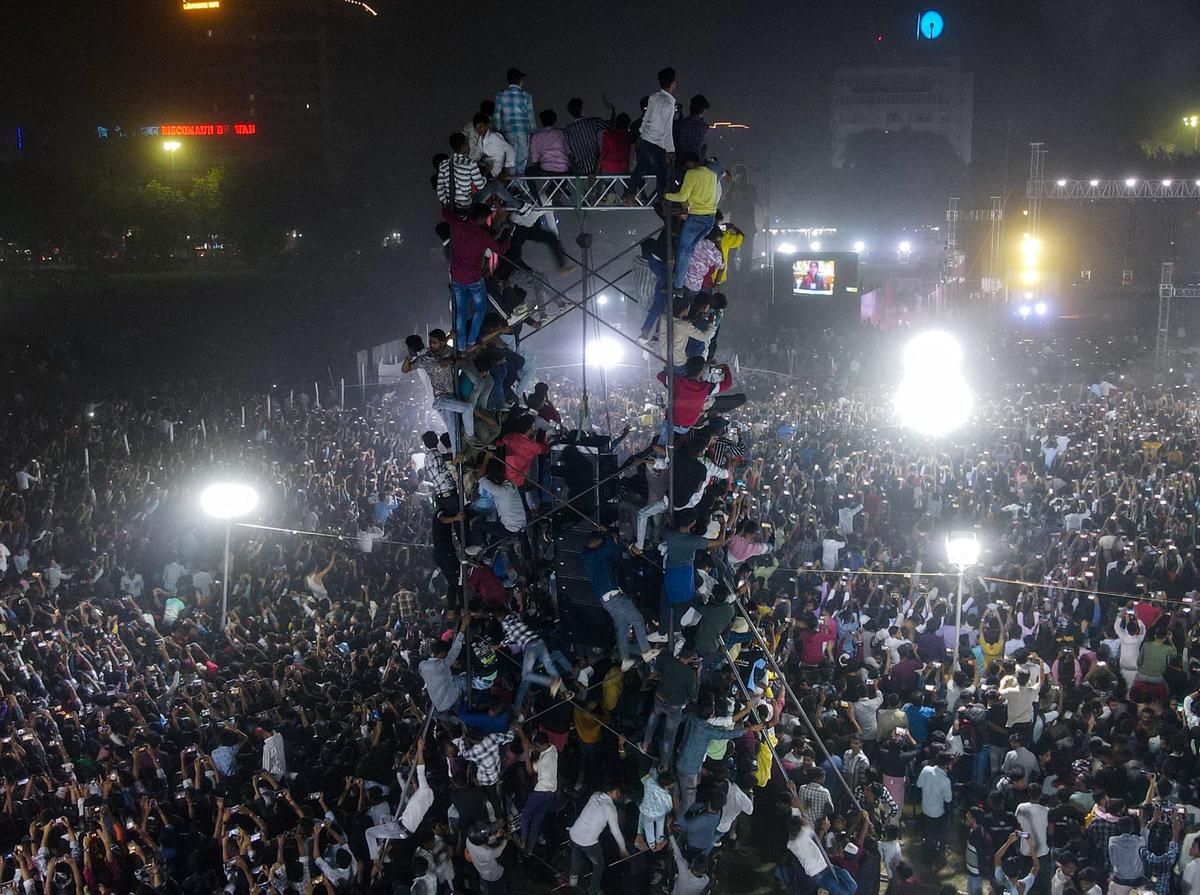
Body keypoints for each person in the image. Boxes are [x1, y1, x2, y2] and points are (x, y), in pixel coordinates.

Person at [438, 206, 513, 349]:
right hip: (473, 279)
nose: (486, 221)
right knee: (480, 308)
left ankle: (460, 345)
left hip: (457, 277)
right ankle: (471, 340)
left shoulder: (457, 224)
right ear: (482, 218)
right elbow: (502, 249)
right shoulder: (482, 236)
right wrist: (509, 233)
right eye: (486, 218)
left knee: (461, 311)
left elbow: (445, 212)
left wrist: (459, 213)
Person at [664, 152, 719, 292]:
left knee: (684, 251)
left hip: (697, 218)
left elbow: (682, 196)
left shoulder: (692, 174)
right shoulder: (712, 174)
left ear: (689, 163)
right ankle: (678, 284)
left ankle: (678, 285)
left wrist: (667, 195)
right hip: (709, 219)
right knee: (688, 250)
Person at [568, 780, 629, 895]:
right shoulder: (610, 808)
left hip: (575, 833)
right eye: (617, 792)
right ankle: (593, 890)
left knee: (575, 855)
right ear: (610, 792)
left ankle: (573, 877)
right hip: (589, 842)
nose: (618, 795)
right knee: (599, 864)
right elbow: (615, 831)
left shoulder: (596, 795)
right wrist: (623, 849)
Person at [626, 67, 677, 205]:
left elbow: (646, 117)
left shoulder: (653, 97)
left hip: (646, 138)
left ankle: (630, 196)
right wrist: (670, 149)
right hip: (657, 142)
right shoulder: (669, 104)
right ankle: (661, 200)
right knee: (662, 172)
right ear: (673, 83)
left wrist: (641, 132)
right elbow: (668, 129)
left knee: (640, 168)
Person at [493, 68, 535, 174]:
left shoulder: (501, 94)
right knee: (522, 159)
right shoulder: (526, 95)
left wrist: (497, 131)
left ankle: (513, 186)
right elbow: (530, 115)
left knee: (511, 158)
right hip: (523, 131)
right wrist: (534, 131)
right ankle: (519, 185)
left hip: (508, 131)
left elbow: (497, 115)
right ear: (517, 80)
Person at [916, 751, 954, 863]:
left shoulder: (926, 770)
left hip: (925, 808)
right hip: (938, 812)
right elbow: (948, 799)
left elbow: (919, 784)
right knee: (940, 833)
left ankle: (927, 855)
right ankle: (940, 852)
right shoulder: (946, 781)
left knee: (928, 832)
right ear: (947, 765)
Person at [528, 109, 570, 174]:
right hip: (563, 168)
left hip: (545, 167)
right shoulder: (562, 134)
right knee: (562, 181)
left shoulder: (536, 136)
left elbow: (535, 159)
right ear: (555, 120)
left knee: (526, 173)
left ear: (542, 121)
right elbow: (569, 151)